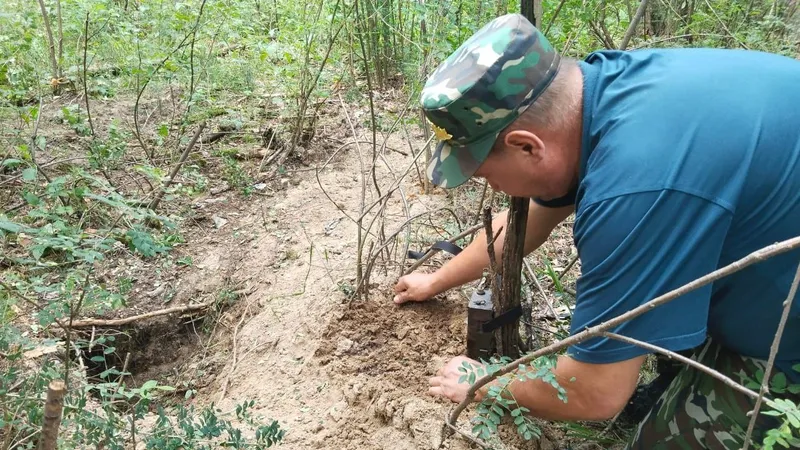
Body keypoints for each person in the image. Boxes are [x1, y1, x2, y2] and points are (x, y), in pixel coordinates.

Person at [392, 13, 800, 448]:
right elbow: (526, 221)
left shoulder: (635, 188)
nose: (488, 185)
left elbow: (593, 392)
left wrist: (485, 383)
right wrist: (435, 279)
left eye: (483, 173)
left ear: (527, 146)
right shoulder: (602, 95)